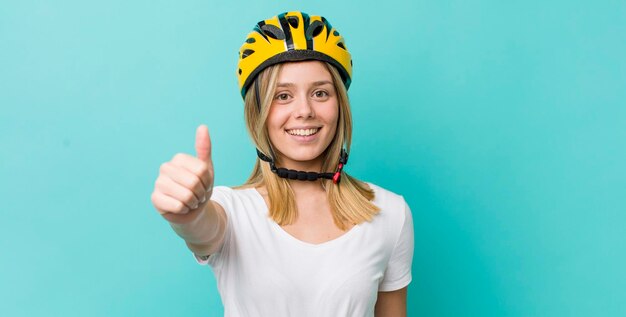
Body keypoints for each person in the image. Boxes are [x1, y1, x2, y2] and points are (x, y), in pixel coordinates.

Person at [151, 11, 414, 317]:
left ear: (340, 105)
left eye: (320, 93)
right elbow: (203, 230)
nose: (304, 110)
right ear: (257, 113)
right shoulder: (232, 210)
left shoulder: (391, 214)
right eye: (283, 95)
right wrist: (189, 215)